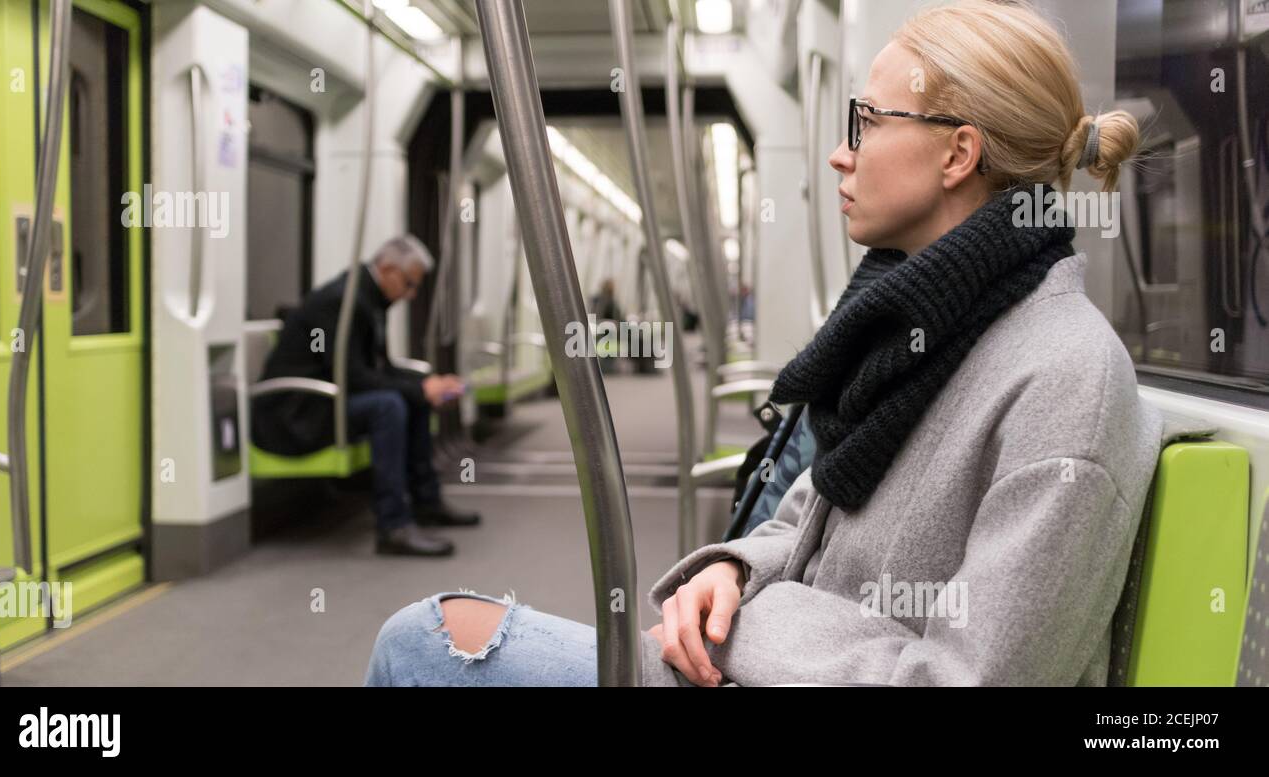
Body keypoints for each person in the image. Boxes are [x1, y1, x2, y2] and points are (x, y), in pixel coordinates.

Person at [363, 0, 1162, 685]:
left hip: (769, 664)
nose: (841, 153)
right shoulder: (924, 326)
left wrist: (756, 625)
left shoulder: (1066, 380)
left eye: (868, 122)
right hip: (769, 661)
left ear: (958, 152)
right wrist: (737, 568)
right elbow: (810, 516)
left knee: (421, 645)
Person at [253, 235, 480, 558]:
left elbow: (380, 369)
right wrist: (418, 389)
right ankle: (392, 526)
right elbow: (353, 376)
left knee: (410, 398)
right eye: (409, 284)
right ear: (388, 269)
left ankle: (426, 503)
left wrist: (428, 384)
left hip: (324, 400)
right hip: (295, 412)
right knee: (389, 406)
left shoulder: (369, 299)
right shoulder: (342, 301)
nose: (411, 294)